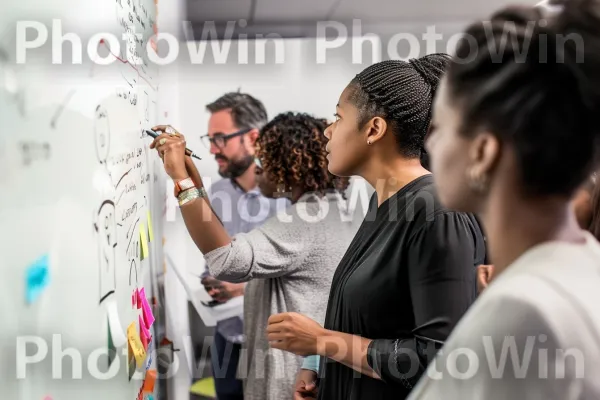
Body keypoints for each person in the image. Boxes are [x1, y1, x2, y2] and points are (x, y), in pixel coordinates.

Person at [406, 0, 600, 398]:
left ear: (483, 152)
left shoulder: (525, 312)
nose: (431, 142)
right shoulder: (581, 267)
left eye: (441, 126)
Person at [266, 55, 487, 400]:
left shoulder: (437, 214)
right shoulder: (382, 203)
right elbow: (375, 319)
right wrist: (321, 363)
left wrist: (322, 341)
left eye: (339, 117)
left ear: (374, 129)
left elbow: (440, 361)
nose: (327, 130)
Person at [150, 112, 360, 399]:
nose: (257, 170)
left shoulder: (305, 220)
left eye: (263, 160)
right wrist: (189, 172)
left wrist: (181, 181)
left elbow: (226, 260)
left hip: (291, 383)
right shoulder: (330, 209)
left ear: (290, 166)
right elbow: (223, 239)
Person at [197, 92, 286, 400]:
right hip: (227, 340)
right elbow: (212, 259)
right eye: (209, 139)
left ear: (252, 136)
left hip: (277, 345)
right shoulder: (217, 193)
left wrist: (242, 288)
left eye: (220, 139)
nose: (211, 149)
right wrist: (209, 281)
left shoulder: (289, 196)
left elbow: (303, 278)